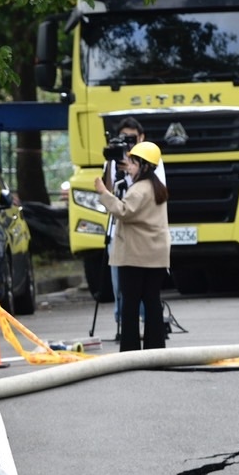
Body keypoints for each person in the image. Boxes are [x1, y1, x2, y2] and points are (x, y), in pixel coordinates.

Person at [95, 140, 170, 352]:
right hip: (156, 255)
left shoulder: (139, 190)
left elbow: (123, 211)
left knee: (130, 303)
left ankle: (130, 350)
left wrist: (103, 192)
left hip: (135, 256)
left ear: (144, 166)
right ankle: (156, 349)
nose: (129, 167)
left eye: (133, 163)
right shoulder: (156, 186)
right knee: (152, 301)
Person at [102, 118, 166, 326]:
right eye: (124, 138)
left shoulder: (150, 164)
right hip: (119, 234)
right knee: (122, 289)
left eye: (132, 138)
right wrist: (112, 165)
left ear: (141, 137)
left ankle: (144, 326)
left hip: (141, 240)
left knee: (142, 293)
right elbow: (110, 192)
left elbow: (137, 200)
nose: (128, 143)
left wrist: (132, 170)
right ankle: (124, 324)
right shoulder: (115, 159)